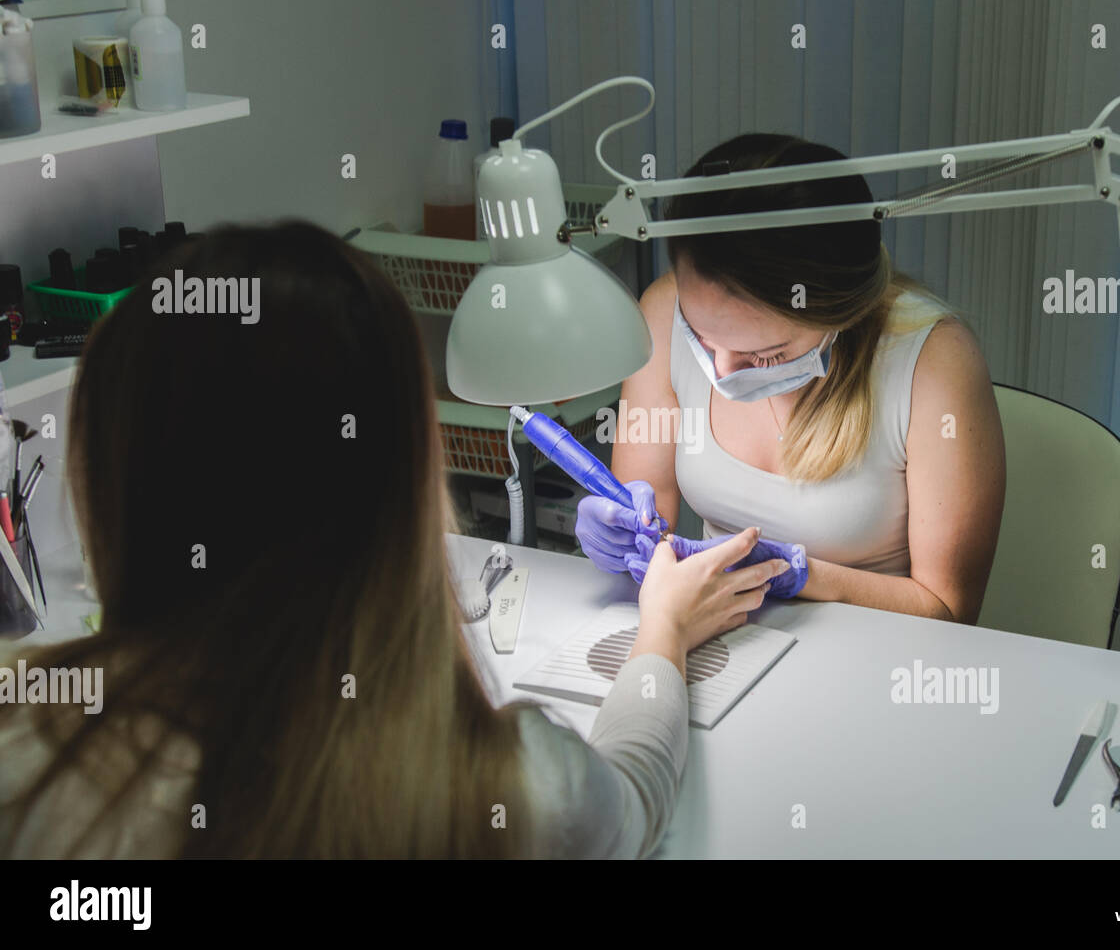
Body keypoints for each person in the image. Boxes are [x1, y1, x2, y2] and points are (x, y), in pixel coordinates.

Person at [0, 222, 790, 859]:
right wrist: (664, 630)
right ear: (406, 475)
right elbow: (634, 796)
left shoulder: (26, 754)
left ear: (110, 475)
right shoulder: (498, 785)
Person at [576, 133, 1006, 624]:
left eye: (764, 353)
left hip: (878, 658)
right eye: (701, 337)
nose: (720, 372)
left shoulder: (933, 362)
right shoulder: (660, 312)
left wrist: (801, 576)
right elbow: (651, 527)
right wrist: (623, 533)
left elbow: (949, 609)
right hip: (720, 641)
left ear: (840, 312)